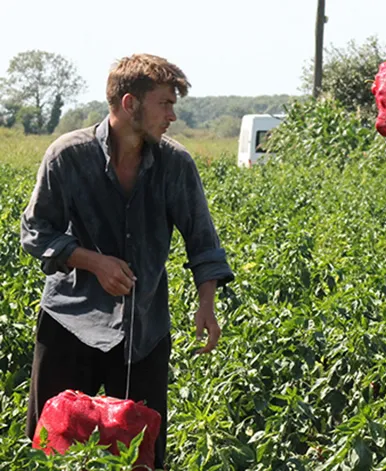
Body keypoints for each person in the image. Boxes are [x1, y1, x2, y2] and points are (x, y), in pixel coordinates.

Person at [21, 53, 234, 469]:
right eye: (165, 104)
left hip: (144, 329)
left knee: (141, 455)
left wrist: (206, 303)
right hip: (70, 322)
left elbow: (202, 242)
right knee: (53, 446)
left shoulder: (175, 165)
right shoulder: (69, 156)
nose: (172, 115)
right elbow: (35, 233)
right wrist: (92, 262)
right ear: (129, 104)